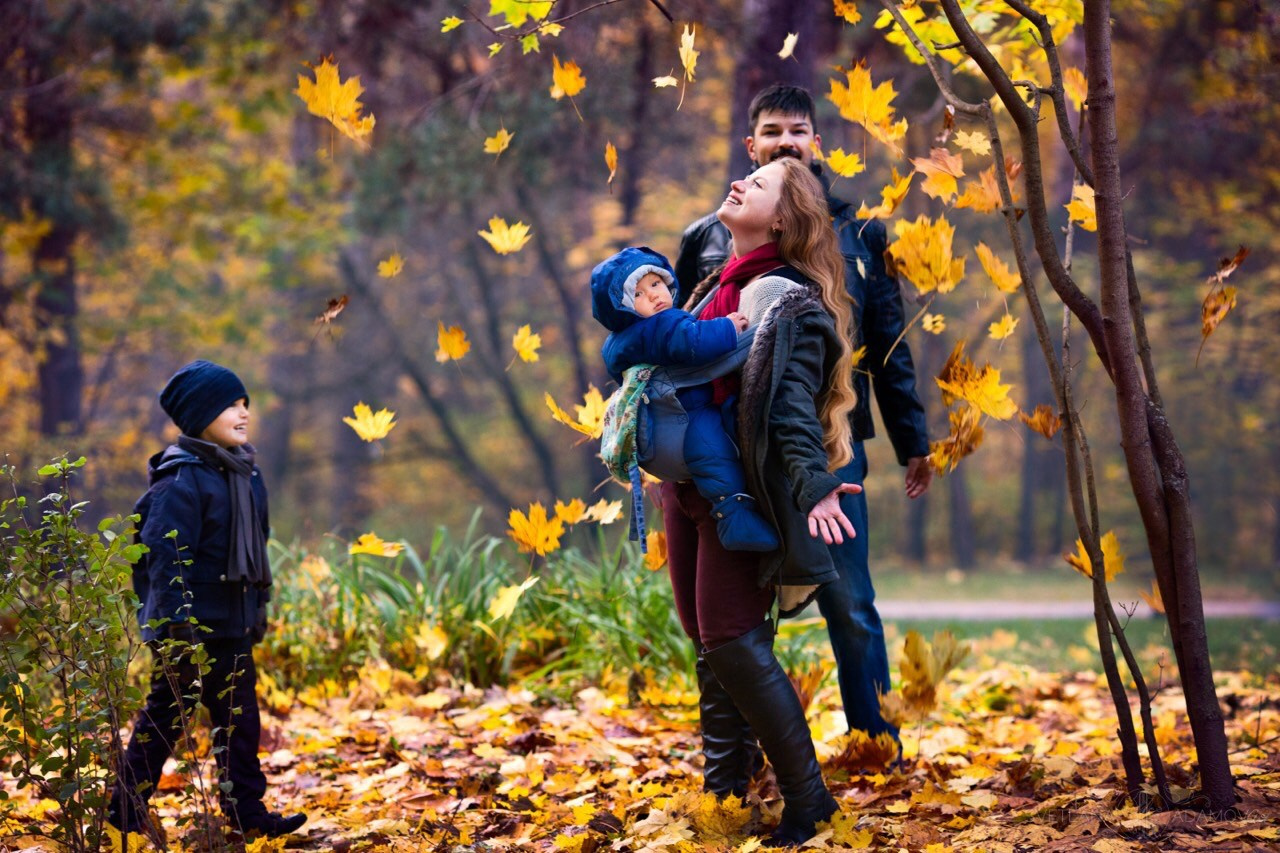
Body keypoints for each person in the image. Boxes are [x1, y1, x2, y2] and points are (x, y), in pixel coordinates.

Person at [676, 84, 932, 747]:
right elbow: (674, 339)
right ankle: (750, 755)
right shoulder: (707, 236)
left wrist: (914, 439)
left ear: (817, 142)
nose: (787, 140)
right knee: (738, 615)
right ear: (751, 144)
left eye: (799, 129)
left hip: (831, 443)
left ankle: (875, 743)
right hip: (730, 450)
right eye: (772, 131)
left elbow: (889, 347)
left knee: (849, 603)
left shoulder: (864, 232)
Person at [662, 156, 862, 847]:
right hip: (685, 486)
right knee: (709, 645)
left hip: (738, 495)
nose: (743, 181)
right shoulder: (716, 282)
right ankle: (727, 791)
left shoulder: (789, 299)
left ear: (783, 217)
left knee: (735, 642)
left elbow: (792, 412)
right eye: (749, 171)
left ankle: (812, 802)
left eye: (763, 182)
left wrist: (813, 484)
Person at [109, 360, 306, 839]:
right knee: (164, 719)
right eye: (228, 405)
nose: (242, 413)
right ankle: (122, 816)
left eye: (244, 404)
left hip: (232, 624)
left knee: (240, 724)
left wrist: (256, 610)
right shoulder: (181, 481)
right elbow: (163, 557)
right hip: (189, 629)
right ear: (199, 416)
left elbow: (257, 549)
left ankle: (246, 817)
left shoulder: (246, 475)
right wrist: (177, 627)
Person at [591, 246, 779, 552]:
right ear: (620, 307)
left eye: (655, 284)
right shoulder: (661, 326)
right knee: (713, 452)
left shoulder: (618, 342)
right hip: (686, 413)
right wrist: (728, 327)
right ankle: (734, 515)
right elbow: (692, 342)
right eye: (637, 294)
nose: (653, 295)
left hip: (657, 426)